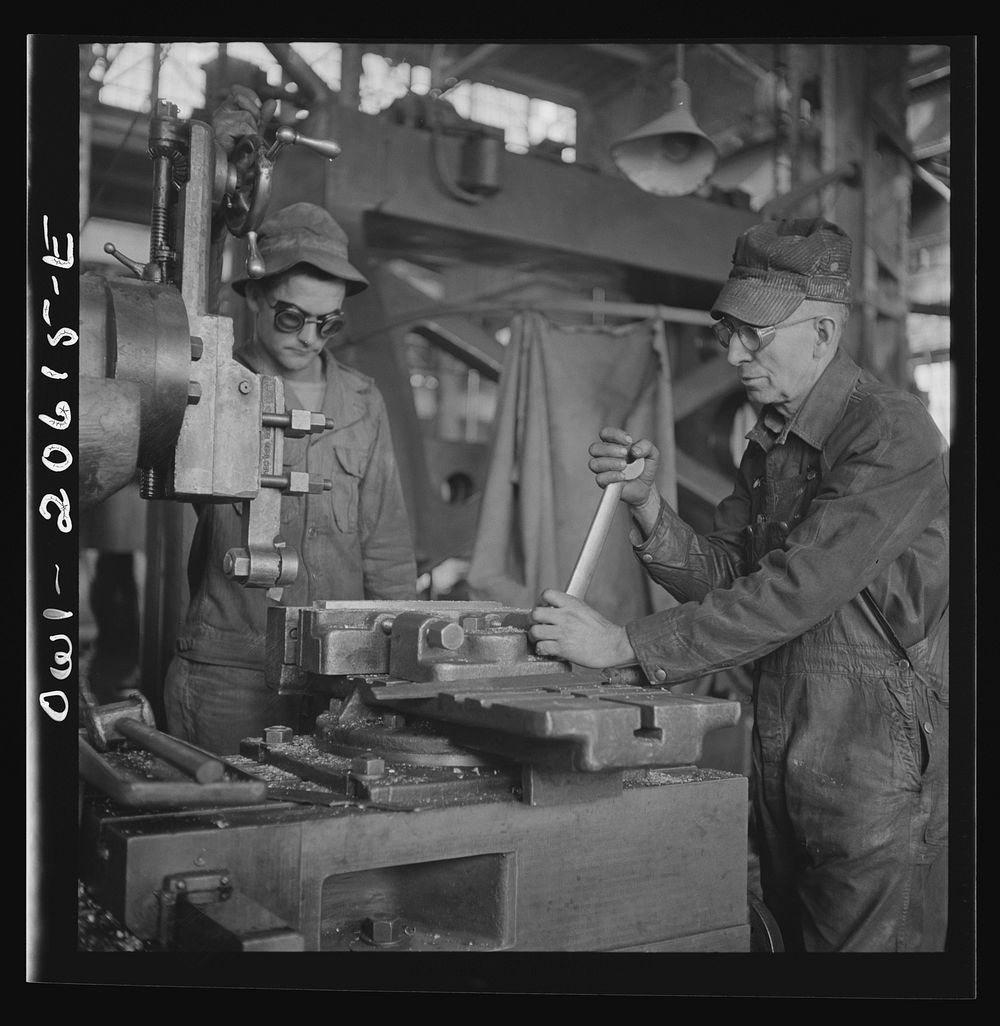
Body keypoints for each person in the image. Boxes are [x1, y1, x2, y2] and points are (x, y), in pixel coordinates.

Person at [528, 218, 949, 953]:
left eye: (754, 334)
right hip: (790, 759)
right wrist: (649, 506)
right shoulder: (772, 441)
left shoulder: (892, 434)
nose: (731, 354)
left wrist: (626, 645)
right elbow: (732, 574)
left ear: (822, 333)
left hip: (872, 772)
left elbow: (796, 589)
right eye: (729, 331)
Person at [163, 89, 417, 755]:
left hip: (340, 672)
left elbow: (386, 551)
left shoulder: (361, 402)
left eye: (327, 322)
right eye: (290, 316)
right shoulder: (210, 384)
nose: (310, 336)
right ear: (254, 297)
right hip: (230, 672)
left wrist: (397, 667)